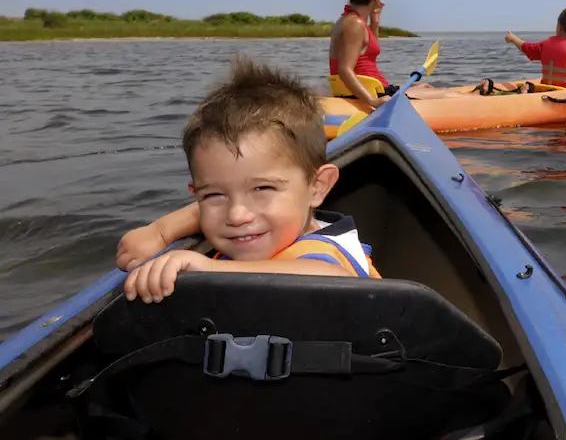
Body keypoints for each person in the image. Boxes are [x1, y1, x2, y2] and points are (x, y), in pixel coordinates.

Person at [118, 55, 380, 304]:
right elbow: (206, 212)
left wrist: (210, 268)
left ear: (317, 186)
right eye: (214, 195)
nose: (237, 215)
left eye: (263, 188)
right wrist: (161, 231)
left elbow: (333, 280)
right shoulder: (254, 218)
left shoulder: (327, 253)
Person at [328, 0, 477, 107]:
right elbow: (345, 70)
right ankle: (482, 99)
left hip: (376, 88)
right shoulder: (355, 24)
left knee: (424, 87)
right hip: (372, 93)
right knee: (445, 93)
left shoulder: (348, 20)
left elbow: (367, 53)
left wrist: (375, 23)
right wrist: (372, 101)